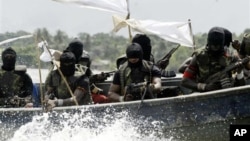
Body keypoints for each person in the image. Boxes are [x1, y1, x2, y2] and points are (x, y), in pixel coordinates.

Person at [181, 27, 245, 92]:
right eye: (213, 46)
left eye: (217, 46)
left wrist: (240, 72)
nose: (215, 48)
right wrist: (204, 87)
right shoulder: (199, 56)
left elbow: (241, 87)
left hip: (227, 94)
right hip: (203, 96)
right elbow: (185, 81)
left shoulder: (231, 56)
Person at [66, 39, 110, 104]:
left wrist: (98, 77)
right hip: (67, 91)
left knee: (103, 99)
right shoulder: (64, 59)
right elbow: (74, 79)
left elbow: (88, 77)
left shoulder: (85, 59)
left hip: (83, 90)